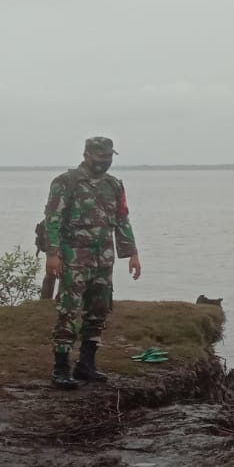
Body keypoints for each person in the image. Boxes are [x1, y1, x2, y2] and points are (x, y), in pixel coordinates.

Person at [44, 137, 142, 390]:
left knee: (99, 310)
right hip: (74, 256)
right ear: (87, 155)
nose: (104, 162)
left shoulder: (113, 185)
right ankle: (61, 368)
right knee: (69, 310)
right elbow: (52, 220)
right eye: (100, 157)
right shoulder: (66, 183)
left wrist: (131, 252)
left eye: (108, 157)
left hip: (103, 257)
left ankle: (86, 365)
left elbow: (122, 219)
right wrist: (52, 254)